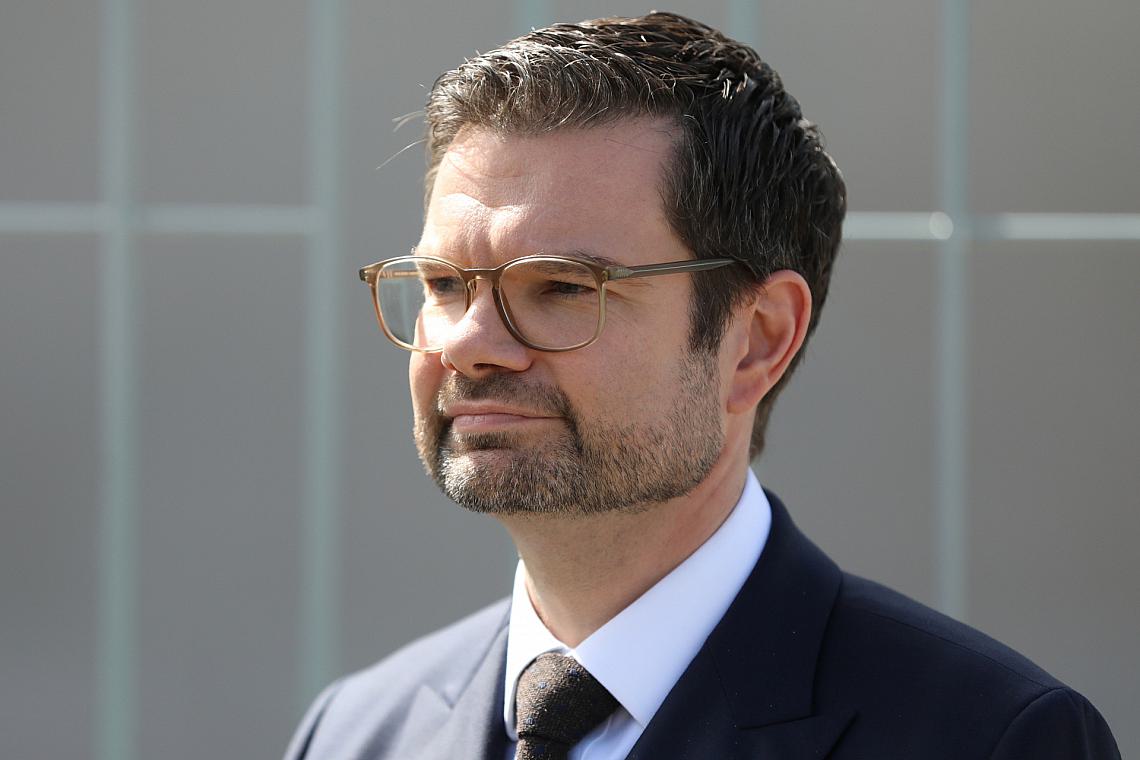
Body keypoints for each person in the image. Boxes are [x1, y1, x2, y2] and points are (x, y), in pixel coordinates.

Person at [284, 12, 1120, 760]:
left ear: (757, 341)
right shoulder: (356, 733)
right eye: (443, 285)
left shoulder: (990, 738)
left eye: (563, 287)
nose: (469, 343)